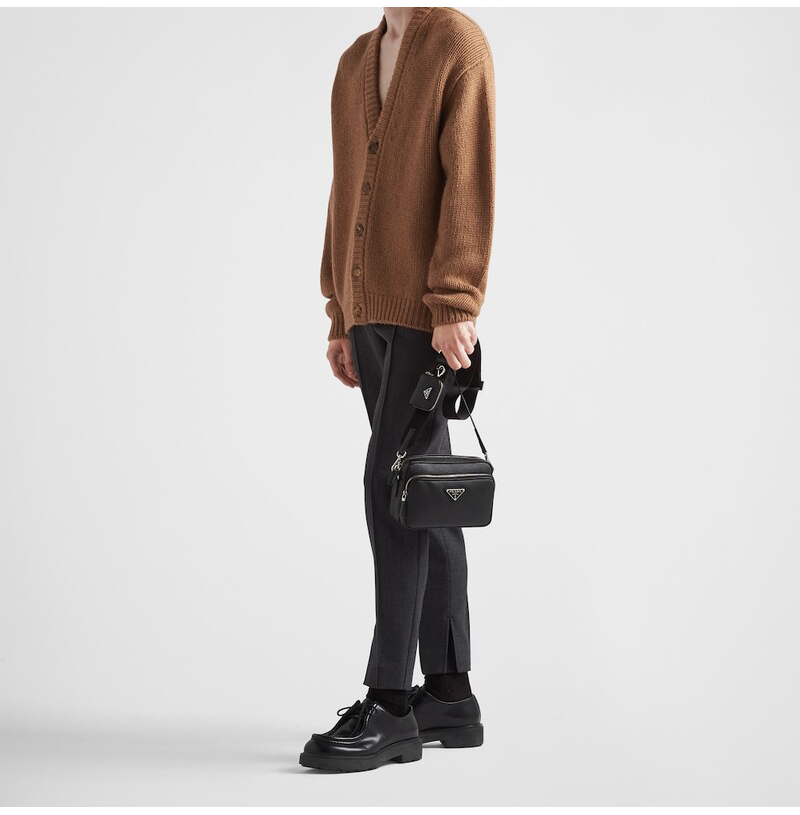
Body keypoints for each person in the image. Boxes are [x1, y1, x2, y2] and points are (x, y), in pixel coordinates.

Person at [299, 6, 495, 772]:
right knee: (422, 490)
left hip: (425, 316)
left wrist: (455, 302)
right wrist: (339, 313)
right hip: (369, 315)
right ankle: (448, 690)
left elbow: (467, 179)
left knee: (391, 486)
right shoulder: (356, 61)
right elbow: (346, 187)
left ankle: (389, 703)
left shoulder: (456, 44)